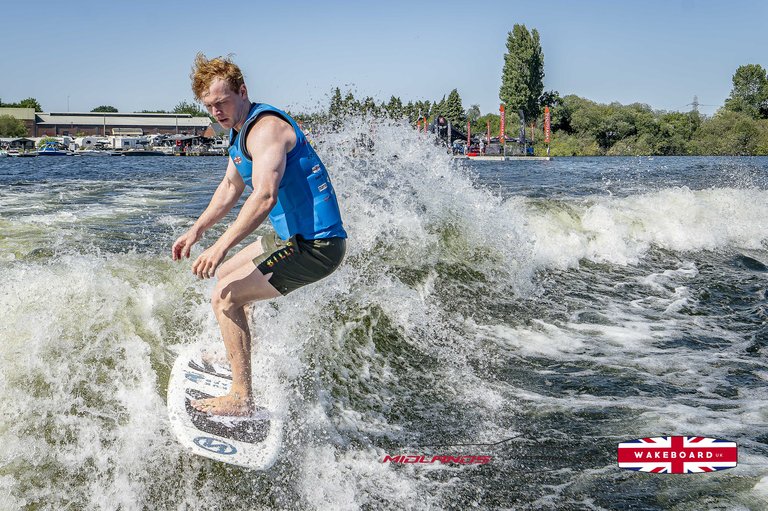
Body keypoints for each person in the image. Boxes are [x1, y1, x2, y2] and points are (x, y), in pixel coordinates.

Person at [172, 54, 347, 416]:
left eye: (222, 102)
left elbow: (265, 196)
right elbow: (230, 187)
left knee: (224, 297)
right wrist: (196, 231)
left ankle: (241, 398)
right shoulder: (239, 133)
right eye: (209, 106)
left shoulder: (265, 129)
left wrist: (220, 246)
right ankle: (240, 348)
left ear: (242, 92)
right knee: (227, 275)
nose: (216, 112)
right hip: (290, 238)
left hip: (316, 245)